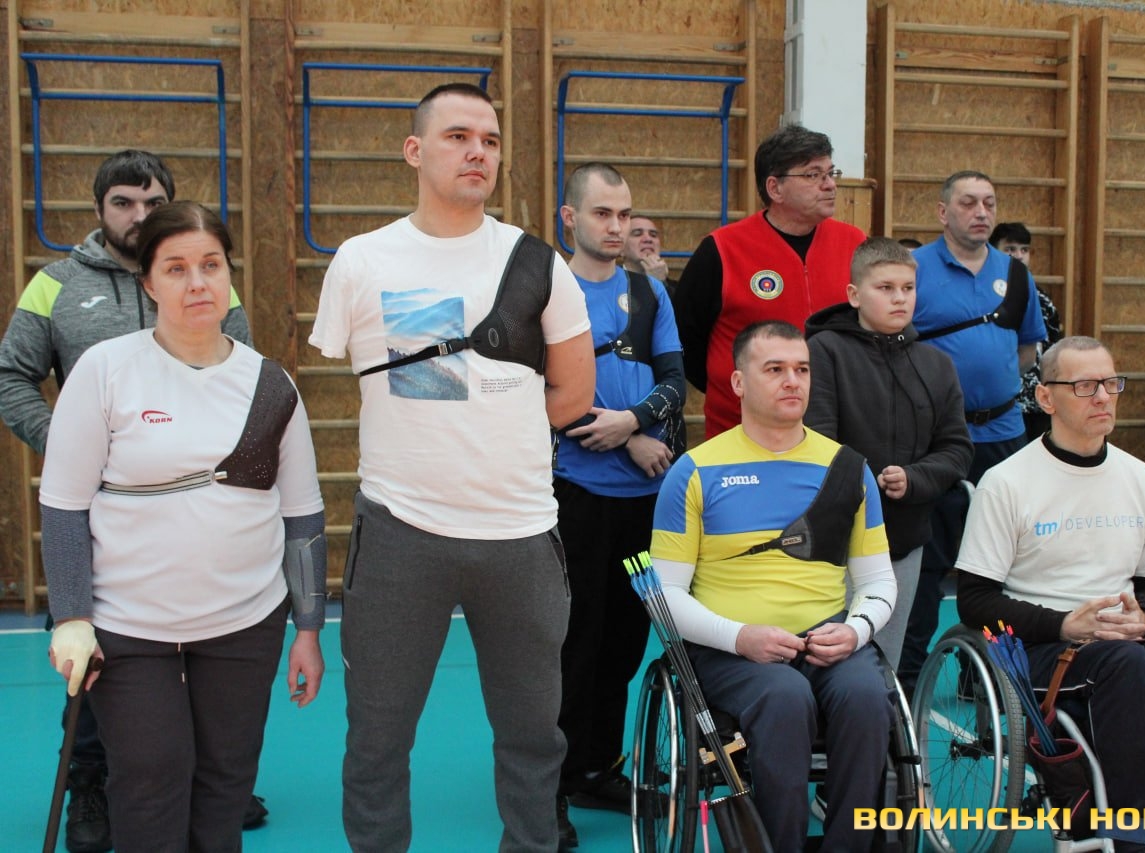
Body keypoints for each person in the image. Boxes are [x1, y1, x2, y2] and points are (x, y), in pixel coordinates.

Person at [309, 82, 595, 853]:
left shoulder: (537, 261)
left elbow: (573, 395)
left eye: (490, 141)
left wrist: (496, 432)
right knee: (377, 734)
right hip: (400, 533)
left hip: (521, 535)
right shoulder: (363, 260)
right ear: (415, 150)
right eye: (458, 136)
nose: (478, 152)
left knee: (533, 735)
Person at [42, 201, 327, 852]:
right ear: (148, 283)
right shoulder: (104, 370)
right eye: (175, 268)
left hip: (244, 624)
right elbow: (62, 504)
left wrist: (308, 628)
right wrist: (71, 616)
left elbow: (302, 515)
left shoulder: (272, 386)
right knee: (150, 779)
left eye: (210, 265)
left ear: (228, 275)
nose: (196, 282)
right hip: (129, 626)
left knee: (226, 785)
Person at [0, 149, 257, 853]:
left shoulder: (206, 281)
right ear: (99, 209)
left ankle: (201, 782)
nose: (139, 215)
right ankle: (91, 784)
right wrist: (66, 440)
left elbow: (239, 377)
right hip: (94, 511)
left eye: (153, 203)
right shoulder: (54, 285)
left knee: (205, 654)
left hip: (193, 516)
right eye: (123, 202)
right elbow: (11, 375)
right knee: (95, 656)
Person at [956, 335, 1145, 853]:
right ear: (1046, 398)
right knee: (1126, 664)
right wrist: (1063, 624)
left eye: (1111, 383)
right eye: (1084, 385)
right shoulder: (1005, 483)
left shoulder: (1140, 478)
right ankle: (1131, 835)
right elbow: (975, 601)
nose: (1102, 397)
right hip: (1041, 647)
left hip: (1126, 640)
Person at [651, 320, 897, 853]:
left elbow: (878, 581)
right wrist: (740, 637)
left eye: (802, 369)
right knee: (784, 698)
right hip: (728, 649)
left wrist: (855, 631)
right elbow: (665, 596)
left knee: (866, 697)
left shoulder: (848, 469)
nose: (793, 381)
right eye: (775, 369)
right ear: (739, 383)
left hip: (828, 641)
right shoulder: (694, 472)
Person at [554, 163, 685, 848]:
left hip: (645, 503)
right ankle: (549, 787)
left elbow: (674, 381)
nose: (616, 226)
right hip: (573, 496)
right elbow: (538, 391)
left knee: (623, 644)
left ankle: (597, 767)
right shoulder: (549, 290)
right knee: (570, 645)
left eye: (624, 214)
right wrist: (625, 437)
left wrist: (634, 421)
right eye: (602, 213)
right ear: (570, 217)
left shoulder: (648, 292)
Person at [897, 171, 1047, 692]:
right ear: (943, 212)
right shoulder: (914, 270)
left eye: (989, 202)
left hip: (1004, 436)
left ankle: (985, 681)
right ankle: (906, 681)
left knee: (1002, 564)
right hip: (933, 440)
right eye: (968, 203)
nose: (981, 212)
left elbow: (1026, 349)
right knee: (928, 560)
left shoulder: (1016, 275)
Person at [805, 237, 973, 669]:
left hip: (903, 540)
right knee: (826, 662)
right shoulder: (823, 352)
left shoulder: (936, 365)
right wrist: (866, 483)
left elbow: (956, 449)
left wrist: (914, 478)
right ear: (854, 294)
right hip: (833, 544)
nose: (900, 298)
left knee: (883, 663)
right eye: (885, 288)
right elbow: (816, 441)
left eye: (908, 288)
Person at [675, 124, 867, 438]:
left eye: (831, 173)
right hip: (739, 434)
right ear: (775, 188)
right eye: (813, 175)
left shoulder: (855, 243)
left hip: (831, 435)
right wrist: (737, 390)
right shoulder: (722, 250)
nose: (830, 185)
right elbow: (684, 339)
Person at [991, 221, 1064, 439]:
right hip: (1001, 401)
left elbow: (1054, 349)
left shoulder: (1042, 299)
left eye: (1024, 250)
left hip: (1038, 403)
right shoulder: (985, 296)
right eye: (1010, 249)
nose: (1019, 256)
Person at [621, 214, 678, 295]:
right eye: (637, 234)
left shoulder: (677, 289)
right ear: (621, 249)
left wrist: (659, 283)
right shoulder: (607, 284)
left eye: (653, 235)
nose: (648, 239)